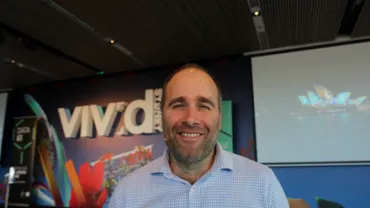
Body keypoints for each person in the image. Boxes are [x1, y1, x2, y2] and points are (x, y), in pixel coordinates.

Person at [109, 64, 289, 208]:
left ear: (219, 118)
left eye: (204, 105)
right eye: (178, 104)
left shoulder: (263, 182)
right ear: (161, 116)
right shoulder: (128, 193)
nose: (191, 119)